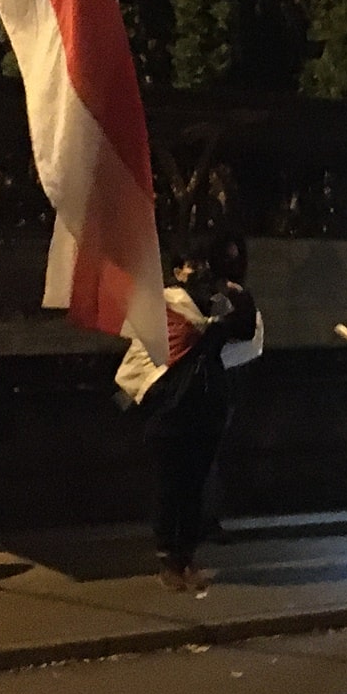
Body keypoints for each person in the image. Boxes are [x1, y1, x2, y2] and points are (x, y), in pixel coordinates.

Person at [140, 235, 256, 591]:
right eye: (192, 265)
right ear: (177, 271)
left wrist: (237, 293)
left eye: (204, 264)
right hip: (171, 410)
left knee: (194, 488)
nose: (201, 271)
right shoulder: (165, 305)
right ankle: (168, 561)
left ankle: (186, 559)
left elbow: (244, 329)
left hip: (205, 408)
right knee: (170, 488)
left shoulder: (213, 306)